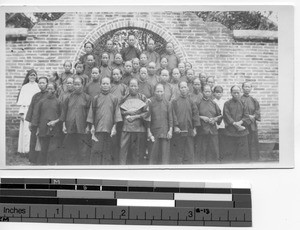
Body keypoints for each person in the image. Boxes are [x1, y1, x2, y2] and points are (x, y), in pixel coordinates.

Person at [87, 77, 122, 165]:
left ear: (110, 85)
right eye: (103, 84)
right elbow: (92, 113)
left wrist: (114, 127)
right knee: (96, 151)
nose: (105, 85)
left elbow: (116, 114)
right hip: (98, 129)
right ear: (100, 85)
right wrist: (92, 126)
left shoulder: (114, 98)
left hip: (110, 130)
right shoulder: (96, 98)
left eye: (107, 84)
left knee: (108, 151)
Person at [60, 77, 91, 165]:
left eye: (78, 84)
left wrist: (88, 126)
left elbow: (89, 113)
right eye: (75, 84)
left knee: (83, 149)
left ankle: (82, 168)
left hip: (82, 126)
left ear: (82, 85)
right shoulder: (68, 97)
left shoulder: (87, 98)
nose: (76, 86)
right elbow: (64, 112)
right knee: (71, 148)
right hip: (70, 126)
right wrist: (63, 125)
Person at [119, 78, 150, 165]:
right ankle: (122, 168)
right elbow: (118, 111)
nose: (133, 88)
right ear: (128, 87)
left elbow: (147, 113)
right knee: (123, 149)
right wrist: (127, 112)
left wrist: (136, 116)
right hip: (126, 127)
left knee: (137, 151)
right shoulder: (124, 98)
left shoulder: (142, 97)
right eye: (131, 86)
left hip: (139, 128)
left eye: (135, 86)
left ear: (138, 87)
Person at [31, 82, 61, 165]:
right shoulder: (41, 102)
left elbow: (61, 116)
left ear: (55, 90)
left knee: (52, 149)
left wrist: (55, 122)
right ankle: (42, 165)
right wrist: (37, 127)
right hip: (43, 128)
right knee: (43, 148)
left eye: (51, 89)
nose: (49, 90)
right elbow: (36, 115)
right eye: (48, 88)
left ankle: (51, 165)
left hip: (54, 129)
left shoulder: (58, 102)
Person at [171, 81, 200, 164]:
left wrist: (195, 128)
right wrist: (176, 126)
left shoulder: (191, 101)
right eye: (181, 87)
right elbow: (173, 115)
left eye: (185, 87)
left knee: (189, 152)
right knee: (178, 152)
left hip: (189, 131)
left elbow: (195, 114)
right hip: (179, 131)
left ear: (187, 88)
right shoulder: (175, 101)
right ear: (179, 89)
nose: (183, 89)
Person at [223, 85, 251, 162]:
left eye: (237, 93)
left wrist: (240, 122)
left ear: (240, 92)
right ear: (231, 93)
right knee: (231, 152)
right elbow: (226, 115)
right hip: (231, 131)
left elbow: (246, 115)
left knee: (242, 153)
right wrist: (234, 123)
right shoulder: (227, 104)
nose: (236, 94)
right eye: (234, 93)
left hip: (241, 131)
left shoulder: (243, 103)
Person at [25, 76, 48, 164]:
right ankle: (33, 160)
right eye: (40, 83)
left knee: (43, 141)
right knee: (34, 141)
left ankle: (42, 160)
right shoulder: (36, 96)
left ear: (47, 84)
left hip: (45, 123)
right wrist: (30, 122)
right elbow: (31, 109)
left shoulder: (49, 95)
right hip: (35, 121)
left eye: (43, 83)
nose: (41, 85)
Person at [148, 83, 173, 164]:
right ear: (154, 92)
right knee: (153, 155)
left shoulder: (168, 103)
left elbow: (170, 118)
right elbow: (148, 118)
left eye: (161, 91)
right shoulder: (151, 102)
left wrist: (170, 130)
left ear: (164, 92)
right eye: (157, 91)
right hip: (154, 132)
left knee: (164, 157)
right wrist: (149, 132)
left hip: (165, 132)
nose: (159, 93)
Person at [16, 69, 40, 155]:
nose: (32, 77)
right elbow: (22, 102)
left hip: (36, 111)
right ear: (28, 76)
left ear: (36, 76)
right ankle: (25, 150)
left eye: (34, 75)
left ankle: (33, 151)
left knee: (34, 130)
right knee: (26, 131)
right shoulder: (24, 87)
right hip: (26, 110)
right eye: (31, 75)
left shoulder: (38, 86)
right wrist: (21, 113)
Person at [196, 85, 222, 163]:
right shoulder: (198, 103)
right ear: (202, 92)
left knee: (214, 148)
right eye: (206, 91)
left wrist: (215, 119)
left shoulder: (213, 103)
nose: (207, 93)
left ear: (211, 93)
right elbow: (194, 115)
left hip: (213, 130)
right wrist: (202, 117)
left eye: (209, 91)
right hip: (202, 130)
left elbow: (220, 115)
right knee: (202, 148)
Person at [110, 68, 128, 164]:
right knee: (112, 140)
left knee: (121, 139)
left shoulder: (124, 87)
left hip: (121, 116)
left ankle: (120, 162)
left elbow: (126, 100)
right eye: (114, 74)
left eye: (118, 74)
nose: (116, 76)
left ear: (121, 75)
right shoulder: (110, 87)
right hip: (111, 115)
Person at [241, 82, 261, 161]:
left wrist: (254, 116)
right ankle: (244, 158)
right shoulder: (239, 99)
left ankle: (254, 158)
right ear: (242, 88)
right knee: (244, 140)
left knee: (253, 141)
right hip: (244, 123)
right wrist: (247, 116)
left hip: (252, 124)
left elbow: (257, 110)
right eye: (245, 87)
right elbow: (238, 111)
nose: (247, 88)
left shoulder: (253, 100)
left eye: (249, 87)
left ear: (251, 88)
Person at [213, 86, 227, 162]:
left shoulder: (225, 102)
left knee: (223, 142)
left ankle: (222, 157)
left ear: (222, 93)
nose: (218, 94)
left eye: (220, 92)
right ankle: (216, 158)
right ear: (214, 93)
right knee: (215, 143)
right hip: (214, 125)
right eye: (216, 92)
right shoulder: (212, 102)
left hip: (223, 125)